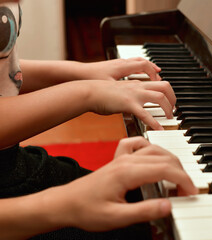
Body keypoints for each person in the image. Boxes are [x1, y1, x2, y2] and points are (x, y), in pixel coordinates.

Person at [0, 1, 198, 239]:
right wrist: (88, 93)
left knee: (146, 197)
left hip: (12, 166)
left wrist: (80, 72)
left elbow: (6, 70)